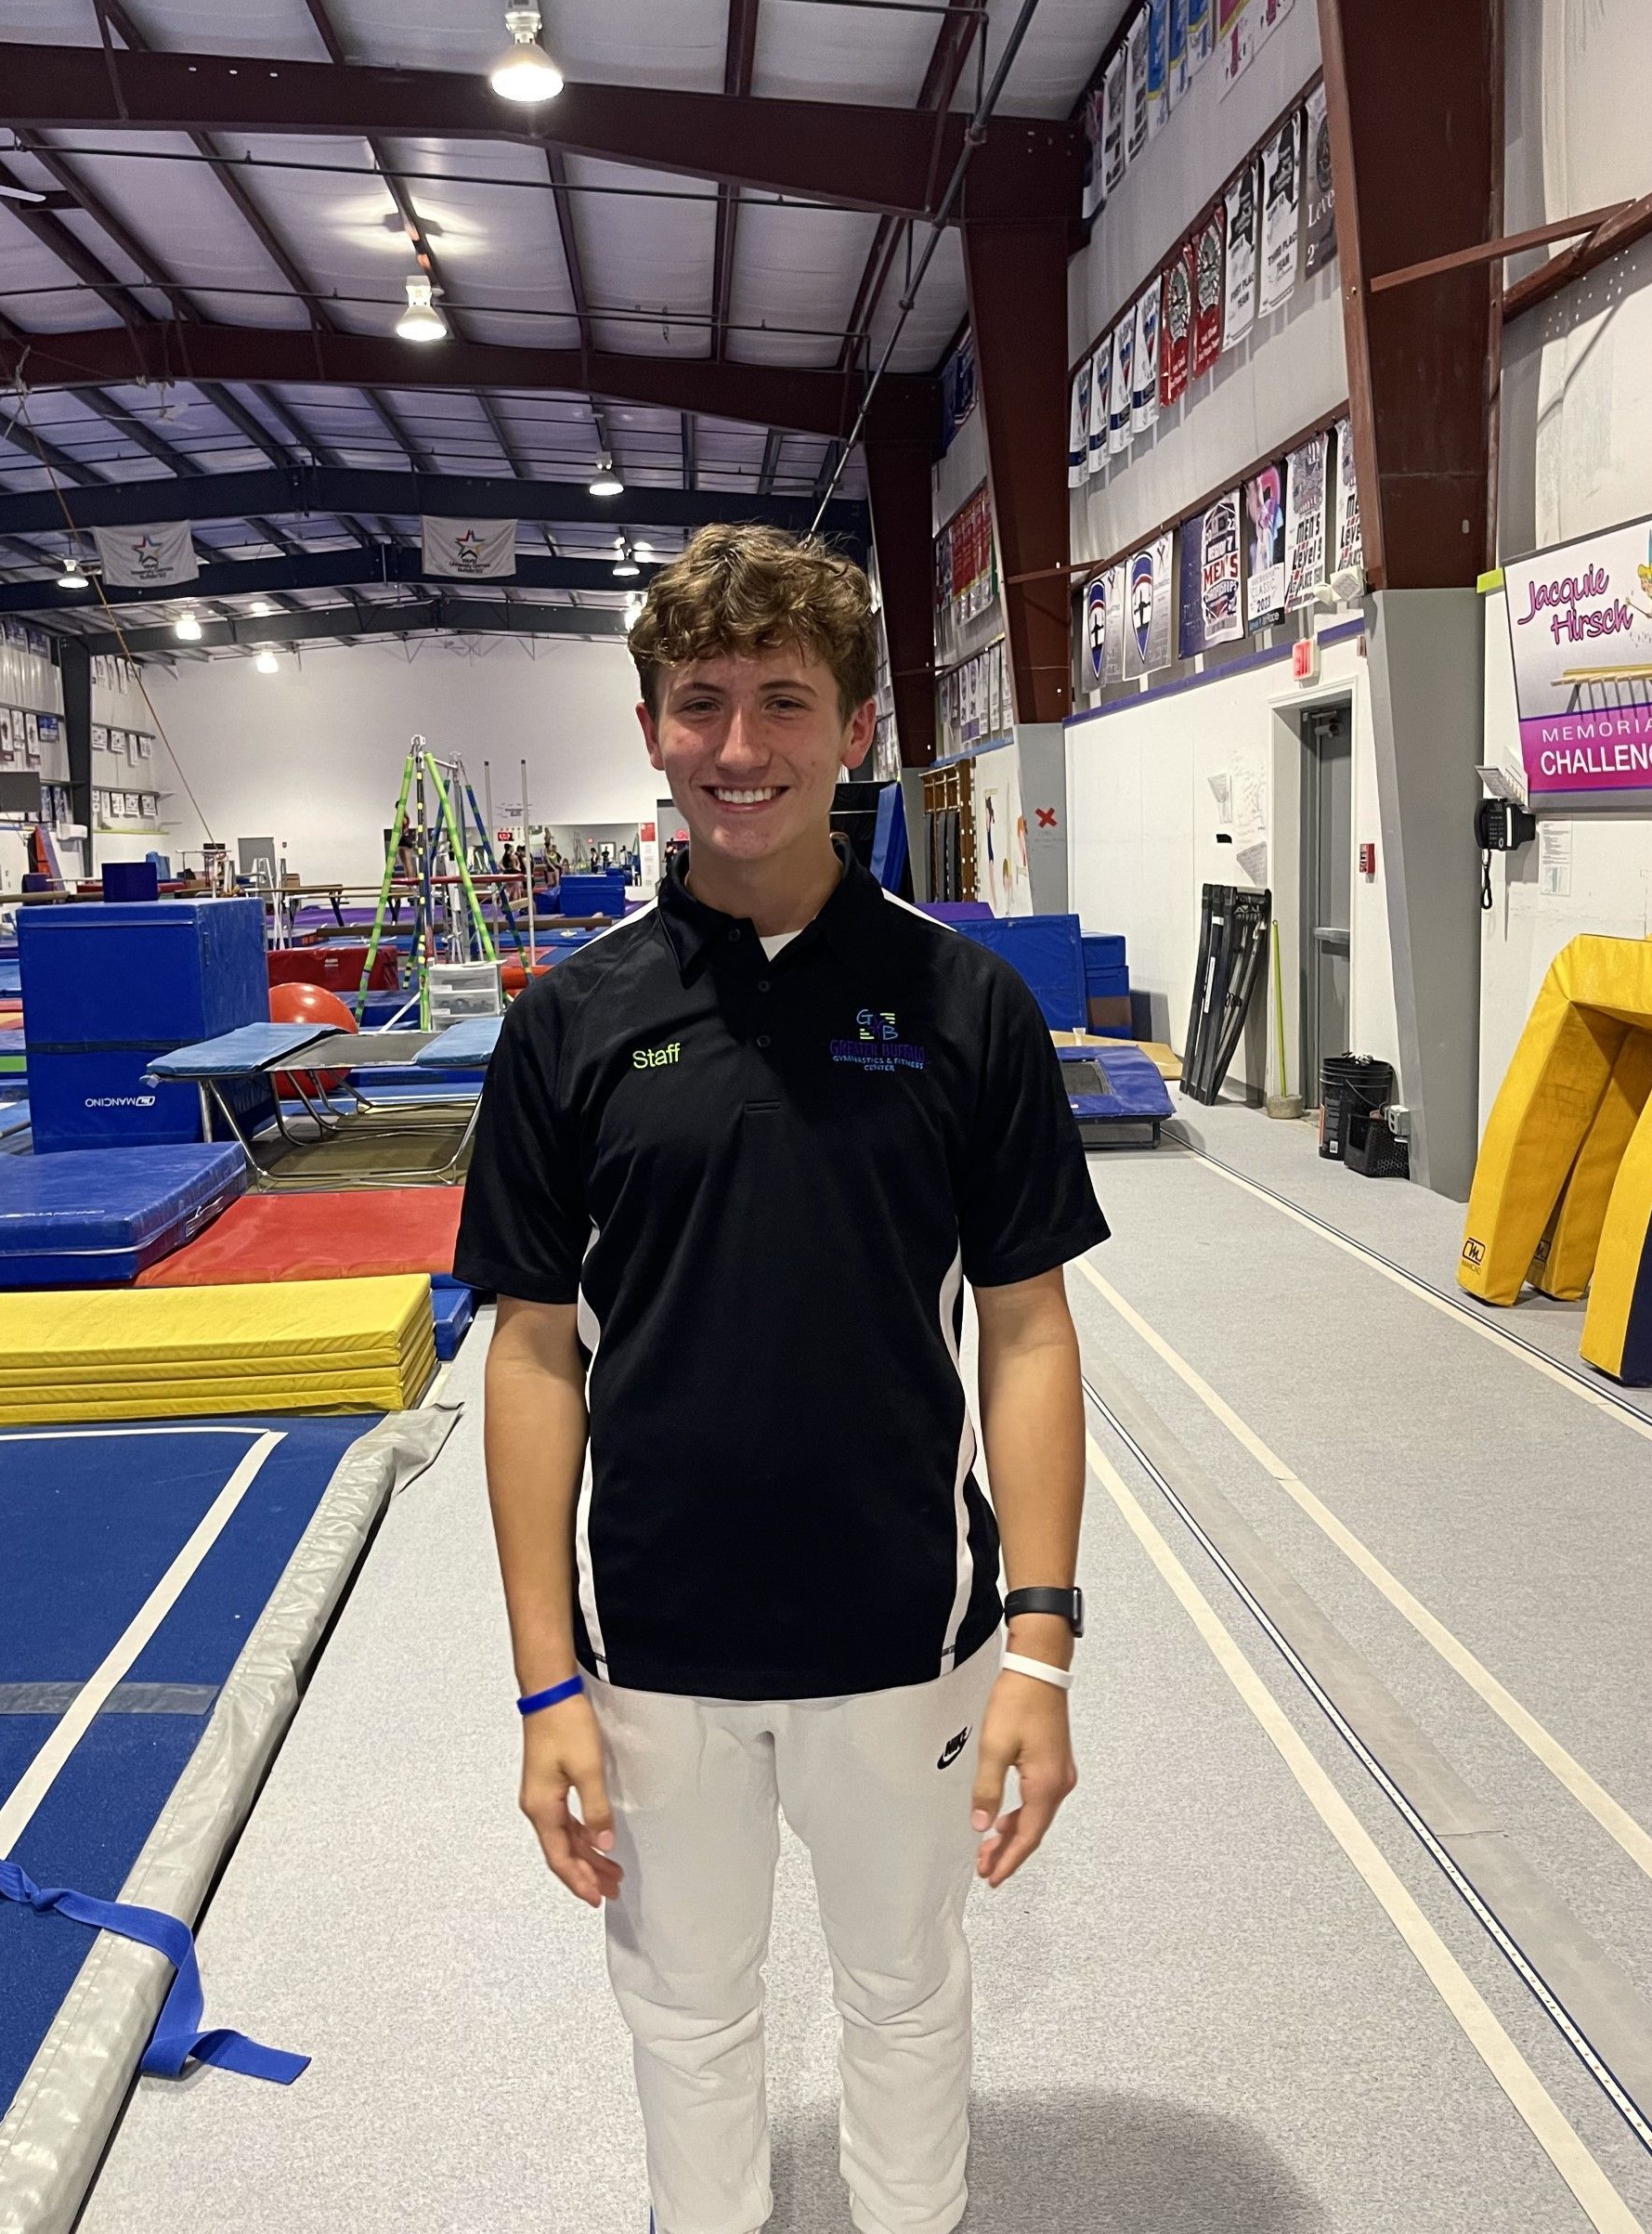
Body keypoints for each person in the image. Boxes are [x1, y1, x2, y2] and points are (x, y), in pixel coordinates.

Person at [454, 523, 1106, 2234]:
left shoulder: (964, 1007)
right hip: (657, 1646)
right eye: (700, 704)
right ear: (655, 727)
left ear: (857, 728)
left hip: (909, 1629)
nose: (740, 750)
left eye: (784, 703)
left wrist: (1038, 1638)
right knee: (684, 2009)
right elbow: (531, 1356)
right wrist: (542, 1687)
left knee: (905, 1995)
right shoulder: (570, 1028)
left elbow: (1026, 1330)